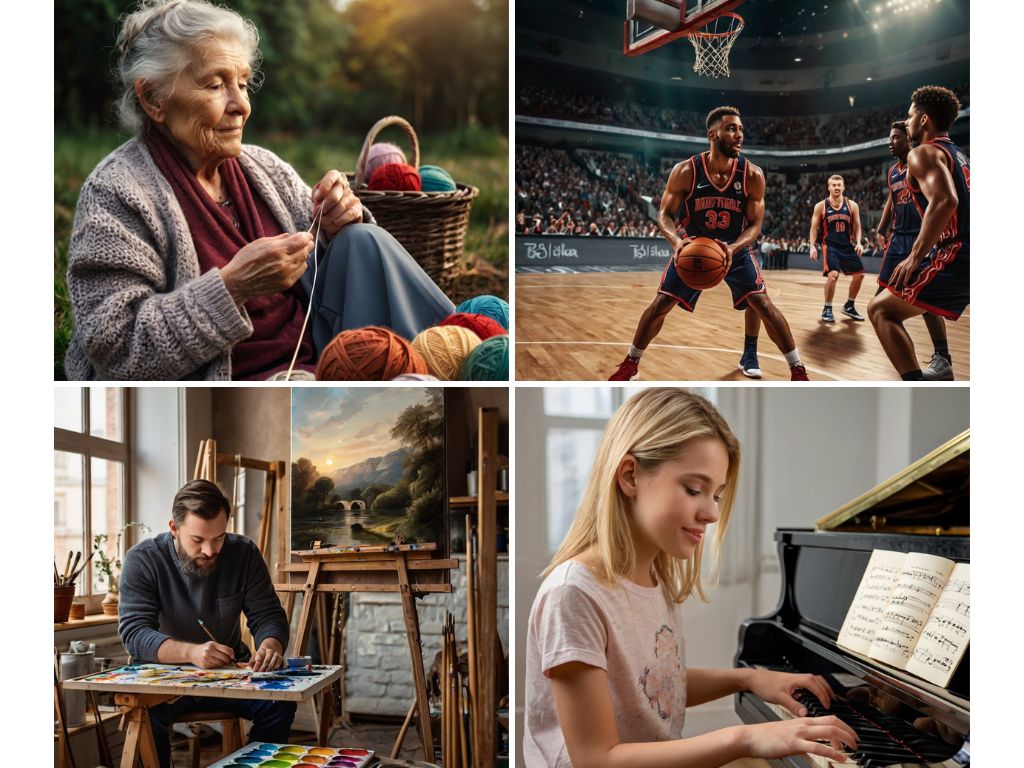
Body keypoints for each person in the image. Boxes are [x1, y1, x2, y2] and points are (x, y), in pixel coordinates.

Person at [65, 0, 454, 380]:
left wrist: (336, 224)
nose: (241, 105)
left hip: (321, 350)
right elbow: (116, 348)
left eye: (243, 83)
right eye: (216, 84)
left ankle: (461, 341)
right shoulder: (116, 193)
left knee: (362, 240)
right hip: (252, 383)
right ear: (153, 99)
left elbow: (323, 265)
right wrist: (233, 287)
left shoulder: (262, 167)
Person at [524, 389, 857, 766]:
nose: (712, 514)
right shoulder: (574, 594)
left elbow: (656, 686)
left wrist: (747, 680)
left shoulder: (653, 577)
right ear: (630, 476)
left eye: (716, 495)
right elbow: (596, 759)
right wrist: (746, 737)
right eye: (694, 489)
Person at [609, 107, 809, 381]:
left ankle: (795, 369)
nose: (739, 135)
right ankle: (631, 363)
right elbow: (665, 215)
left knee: (761, 301)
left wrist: (732, 248)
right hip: (693, 246)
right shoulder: (686, 171)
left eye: (740, 129)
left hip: (735, 248)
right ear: (712, 134)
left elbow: (755, 226)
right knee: (660, 304)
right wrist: (677, 242)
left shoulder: (752, 175)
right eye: (731, 129)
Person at [119, 480, 293, 768]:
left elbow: (268, 615)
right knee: (146, 715)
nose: (211, 550)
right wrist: (191, 653)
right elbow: (134, 633)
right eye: (198, 540)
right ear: (174, 528)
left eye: (219, 538)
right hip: (163, 678)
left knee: (280, 702)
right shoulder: (143, 559)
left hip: (229, 673)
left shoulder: (244, 553)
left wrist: (270, 645)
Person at [868, 85, 969, 381]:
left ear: (923, 120)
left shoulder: (922, 152)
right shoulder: (957, 154)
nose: (908, 121)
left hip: (957, 251)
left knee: (880, 311)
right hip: (960, 247)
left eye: (910, 117)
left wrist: (914, 257)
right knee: (909, 301)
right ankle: (942, 365)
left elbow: (946, 200)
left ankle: (919, 383)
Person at [875, 120, 953, 380]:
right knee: (880, 300)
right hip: (898, 239)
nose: (890, 141)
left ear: (907, 140)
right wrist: (881, 226)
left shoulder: (920, 162)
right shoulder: (893, 172)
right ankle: (900, 351)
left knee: (925, 299)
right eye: (890, 137)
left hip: (919, 239)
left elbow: (941, 200)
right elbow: (891, 199)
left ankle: (942, 355)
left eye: (895, 137)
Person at [808, 176, 866, 323]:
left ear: (844, 187)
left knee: (859, 275)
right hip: (830, 246)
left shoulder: (852, 205)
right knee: (833, 275)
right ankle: (827, 308)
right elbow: (813, 228)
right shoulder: (821, 206)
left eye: (839, 185)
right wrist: (812, 245)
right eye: (833, 185)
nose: (837, 187)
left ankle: (849, 305)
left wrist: (859, 242)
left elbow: (858, 226)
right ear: (828, 188)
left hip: (847, 246)